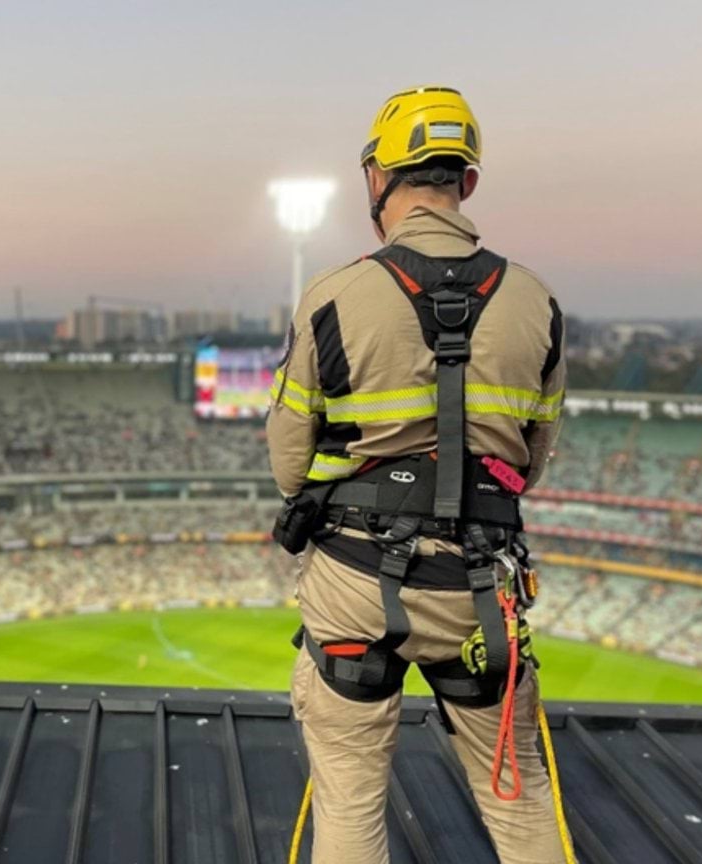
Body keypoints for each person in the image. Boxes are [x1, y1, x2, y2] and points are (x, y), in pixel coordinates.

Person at [266, 86, 571, 864]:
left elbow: (288, 464)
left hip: (355, 588)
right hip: (478, 592)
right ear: (466, 181)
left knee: (348, 799)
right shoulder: (537, 301)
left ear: (378, 179)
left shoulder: (333, 296)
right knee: (520, 794)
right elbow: (528, 465)